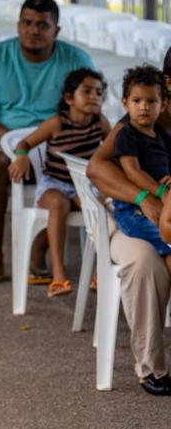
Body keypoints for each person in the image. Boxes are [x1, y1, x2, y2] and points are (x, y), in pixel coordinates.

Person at [0, 0, 95, 286]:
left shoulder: (77, 60)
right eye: (27, 23)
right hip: (5, 140)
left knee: (76, 164)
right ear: (18, 25)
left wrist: (45, 140)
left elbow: (88, 112)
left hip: (58, 141)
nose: (33, 30)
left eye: (42, 25)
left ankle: (39, 252)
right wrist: (20, 141)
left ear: (56, 30)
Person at [89, 51, 171, 397]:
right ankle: (152, 367)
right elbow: (97, 169)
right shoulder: (136, 125)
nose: (145, 104)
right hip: (130, 214)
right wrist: (145, 198)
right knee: (145, 263)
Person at [7, 68, 109, 297]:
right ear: (69, 98)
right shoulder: (57, 123)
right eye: (87, 91)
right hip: (54, 184)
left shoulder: (100, 123)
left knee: (99, 206)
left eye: (99, 93)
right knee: (59, 205)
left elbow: (114, 149)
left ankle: (98, 273)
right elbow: (24, 143)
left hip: (83, 186)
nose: (94, 96)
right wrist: (22, 156)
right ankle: (59, 275)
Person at [111, 65, 171, 267]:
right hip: (133, 210)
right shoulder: (126, 135)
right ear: (125, 103)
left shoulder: (162, 136)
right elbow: (132, 172)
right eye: (137, 101)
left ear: (162, 105)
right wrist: (161, 191)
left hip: (161, 202)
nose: (144, 107)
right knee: (168, 245)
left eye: (151, 101)